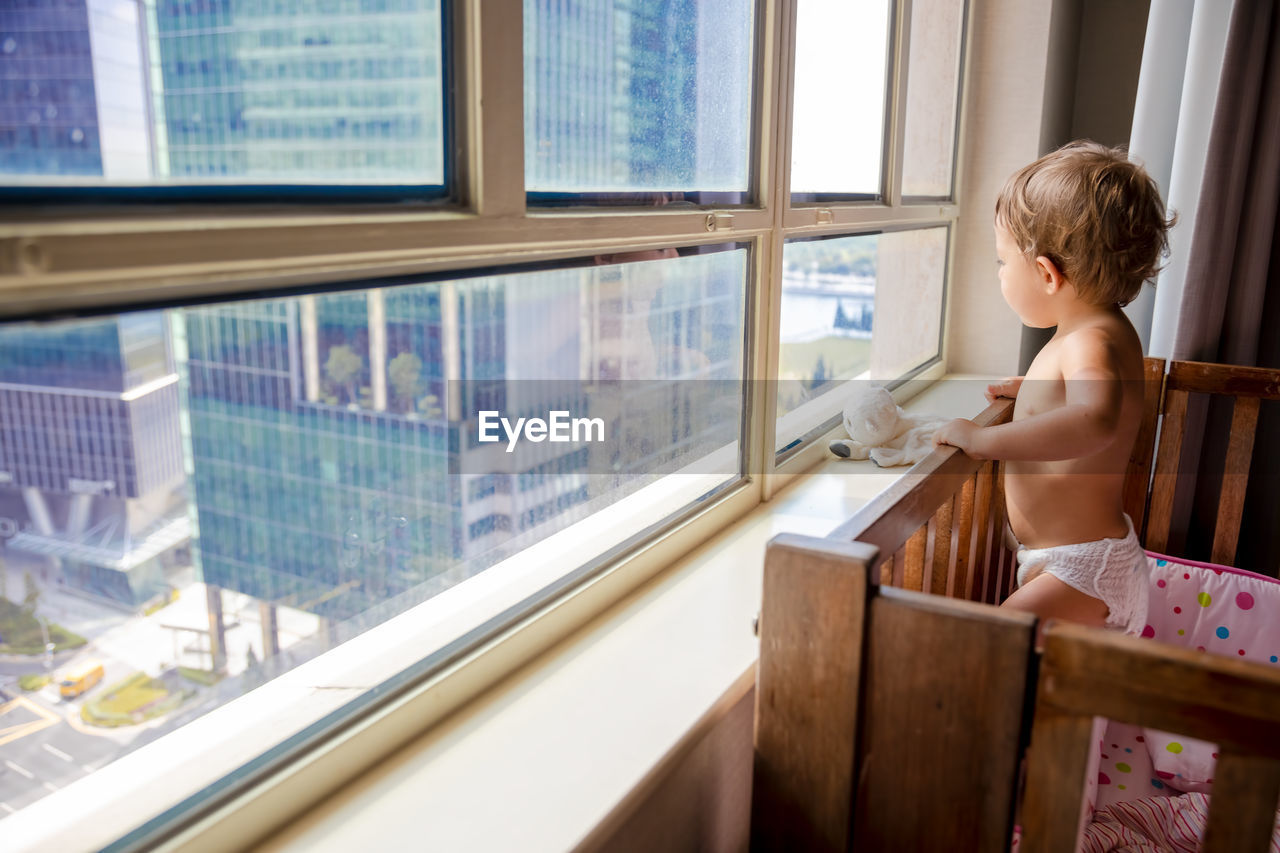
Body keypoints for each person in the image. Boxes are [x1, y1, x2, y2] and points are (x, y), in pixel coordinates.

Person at [934, 141, 1173, 637]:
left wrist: (983, 442)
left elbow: (1096, 418)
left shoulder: (1092, 341)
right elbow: (1090, 394)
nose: (1000, 274)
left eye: (1003, 262)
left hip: (1083, 571)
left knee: (986, 647)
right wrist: (1038, 388)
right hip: (1076, 562)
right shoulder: (1103, 330)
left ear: (1046, 273)